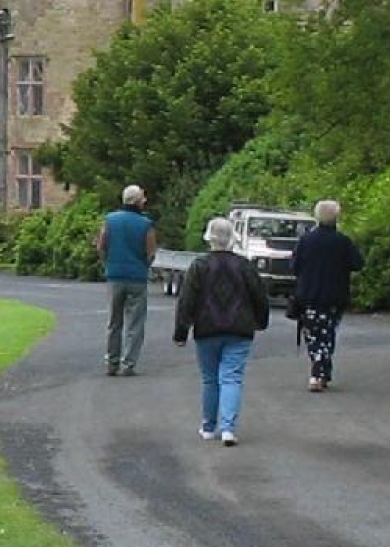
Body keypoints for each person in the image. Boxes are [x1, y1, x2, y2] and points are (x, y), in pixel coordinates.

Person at [174, 217, 269, 447]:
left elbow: (187, 300)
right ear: (232, 239)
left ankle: (208, 427)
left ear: (209, 239)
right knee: (232, 378)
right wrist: (260, 321)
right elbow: (259, 295)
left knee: (210, 379)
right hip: (239, 328)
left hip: (207, 328)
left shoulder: (199, 265)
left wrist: (181, 331)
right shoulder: (244, 265)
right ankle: (228, 428)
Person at [291, 200, 364, 393]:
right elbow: (358, 263)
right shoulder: (343, 241)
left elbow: (294, 267)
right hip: (335, 296)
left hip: (309, 296)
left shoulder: (306, 241)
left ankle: (317, 372)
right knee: (327, 333)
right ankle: (322, 371)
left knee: (313, 335)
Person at [96, 184, 157, 376]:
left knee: (114, 321)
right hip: (137, 278)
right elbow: (151, 252)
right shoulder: (145, 224)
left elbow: (101, 246)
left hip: (115, 276)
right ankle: (128, 363)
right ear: (138, 202)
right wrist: (144, 266)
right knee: (135, 322)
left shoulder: (110, 220)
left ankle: (111, 362)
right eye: (143, 199)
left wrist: (108, 263)